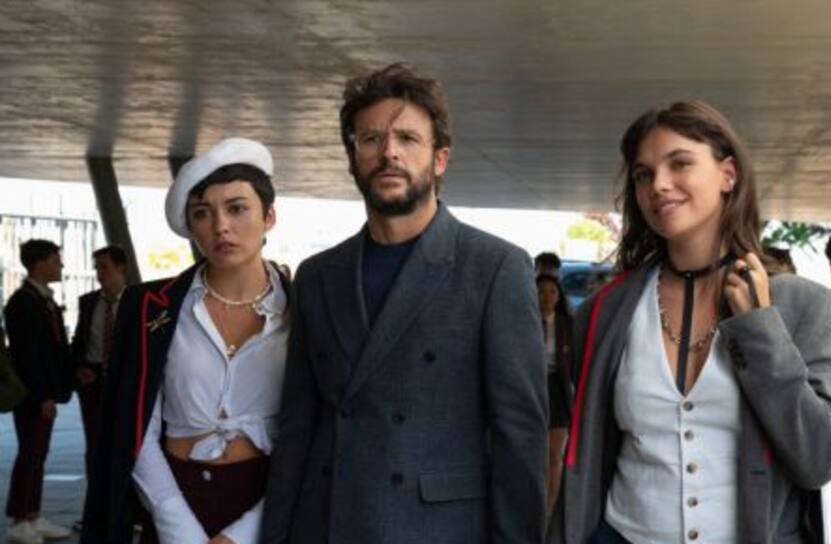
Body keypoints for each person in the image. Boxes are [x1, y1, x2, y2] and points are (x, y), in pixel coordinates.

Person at [260, 62, 546, 544]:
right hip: (327, 523)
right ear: (353, 159)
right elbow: (298, 427)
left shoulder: (494, 268)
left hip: (436, 529)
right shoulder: (317, 276)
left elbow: (520, 437)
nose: (388, 152)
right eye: (371, 139)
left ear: (440, 159)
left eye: (408, 139)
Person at [548, 100, 831, 544]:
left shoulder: (802, 303)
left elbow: (819, 460)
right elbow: (587, 457)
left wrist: (761, 330)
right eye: (643, 174)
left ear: (728, 175)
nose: (659, 185)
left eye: (680, 163)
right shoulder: (605, 311)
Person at [81, 137, 290, 544]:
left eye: (237, 208)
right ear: (191, 228)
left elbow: (313, 433)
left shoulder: (305, 308)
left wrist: (244, 534)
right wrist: (178, 527)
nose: (221, 226)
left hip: (270, 506)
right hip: (172, 499)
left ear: (269, 217)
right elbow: (133, 426)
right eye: (202, 213)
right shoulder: (149, 306)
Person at [3, 239, 73, 543]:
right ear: (39, 263)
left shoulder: (41, 299)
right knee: (30, 453)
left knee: (37, 453)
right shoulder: (23, 302)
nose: (61, 265)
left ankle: (32, 514)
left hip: (42, 392)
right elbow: (27, 355)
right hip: (32, 395)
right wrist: (43, 395)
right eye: (56, 260)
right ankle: (19, 519)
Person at [70, 245, 128, 532]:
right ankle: (97, 510)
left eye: (104, 267)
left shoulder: (138, 300)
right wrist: (78, 367)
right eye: (97, 267)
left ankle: (126, 510)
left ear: (121, 268)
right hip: (93, 382)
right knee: (95, 446)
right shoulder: (88, 302)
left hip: (124, 382)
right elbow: (79, 341)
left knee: (125, 445)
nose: (99, 273)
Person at [537, 273, 573, 513]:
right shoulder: (524, 320)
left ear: (559, 296)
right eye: (541, 292)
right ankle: (534, 504)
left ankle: (549, 508)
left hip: (559, 390)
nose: (547, 297)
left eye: (552, 292)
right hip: (533, 388)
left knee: (555, 455)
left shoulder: (567, 324)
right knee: (536, 454)